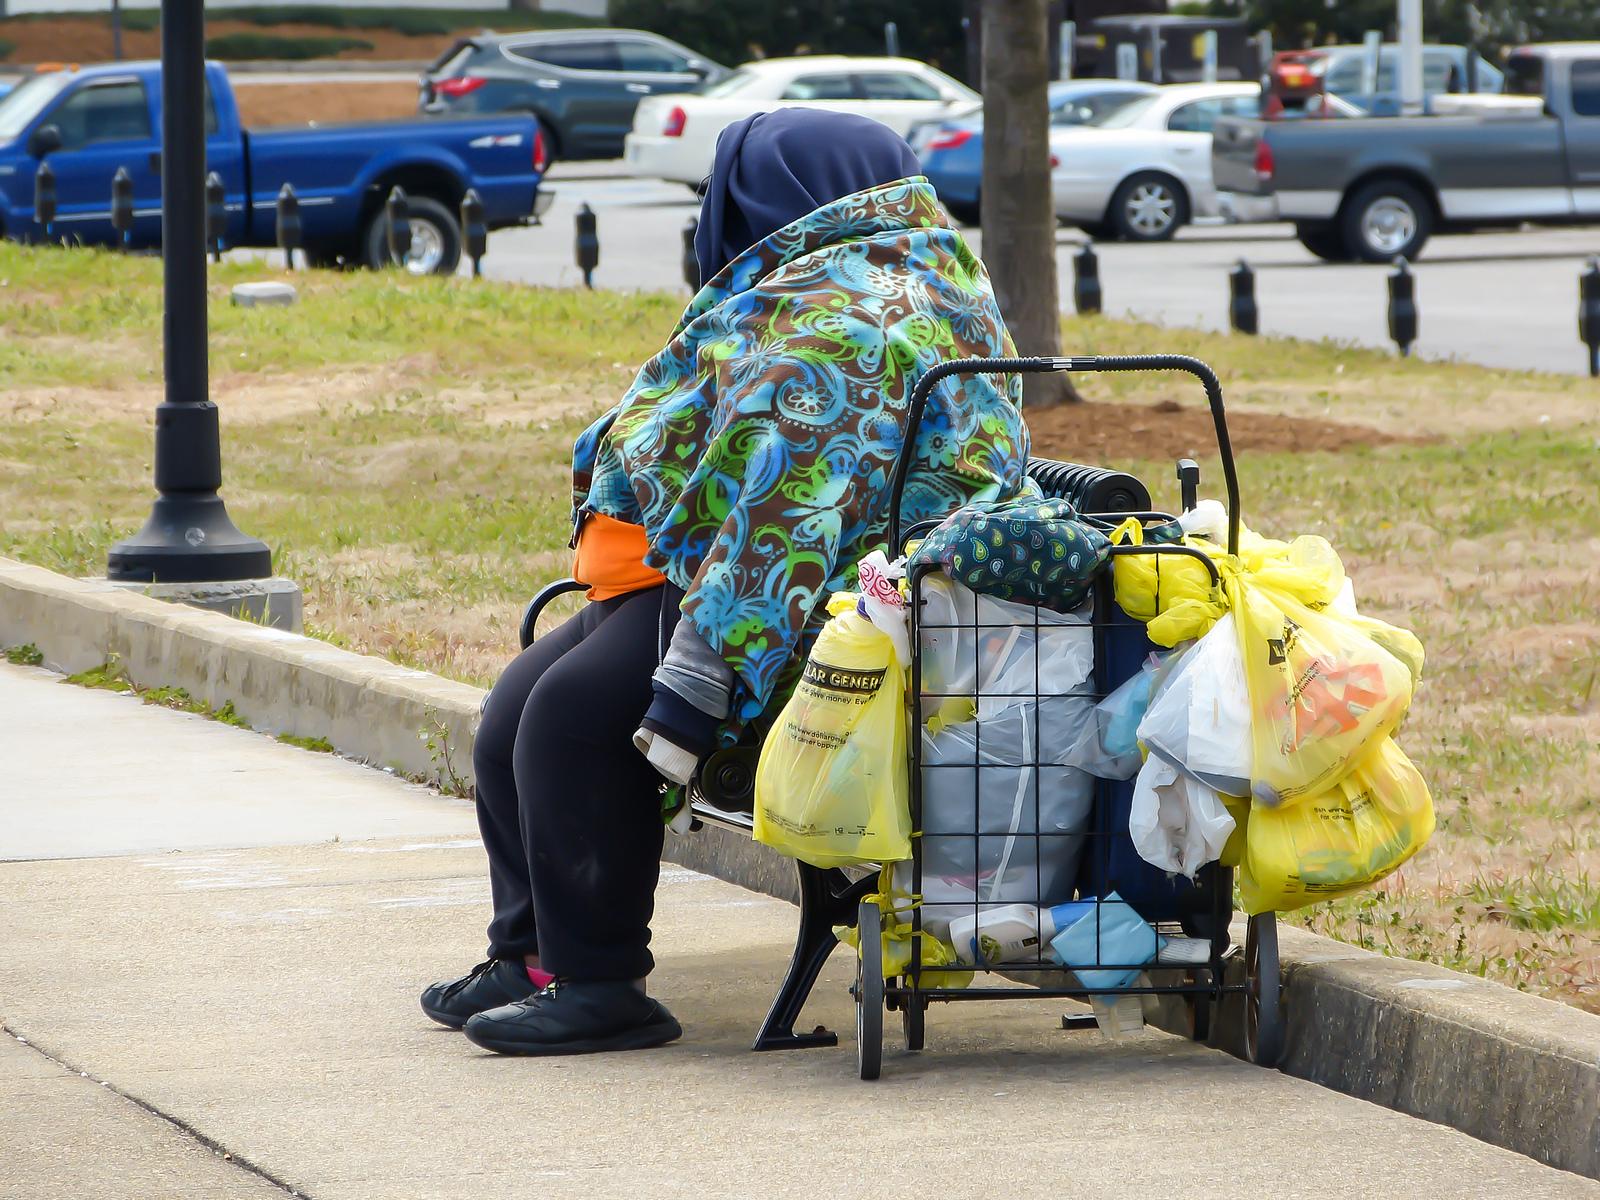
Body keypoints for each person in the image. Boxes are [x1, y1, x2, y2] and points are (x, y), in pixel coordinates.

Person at [419, 108, 1030, 1057]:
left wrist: (696, 678)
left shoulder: (859, 314)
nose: (713, 212)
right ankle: (530, 953)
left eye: (724, 190)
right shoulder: (850, 271)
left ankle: (601, 981)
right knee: (510, 712)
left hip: (840, 612)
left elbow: (789, 513)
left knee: (573, 719)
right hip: (769, 577)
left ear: (771, 199)